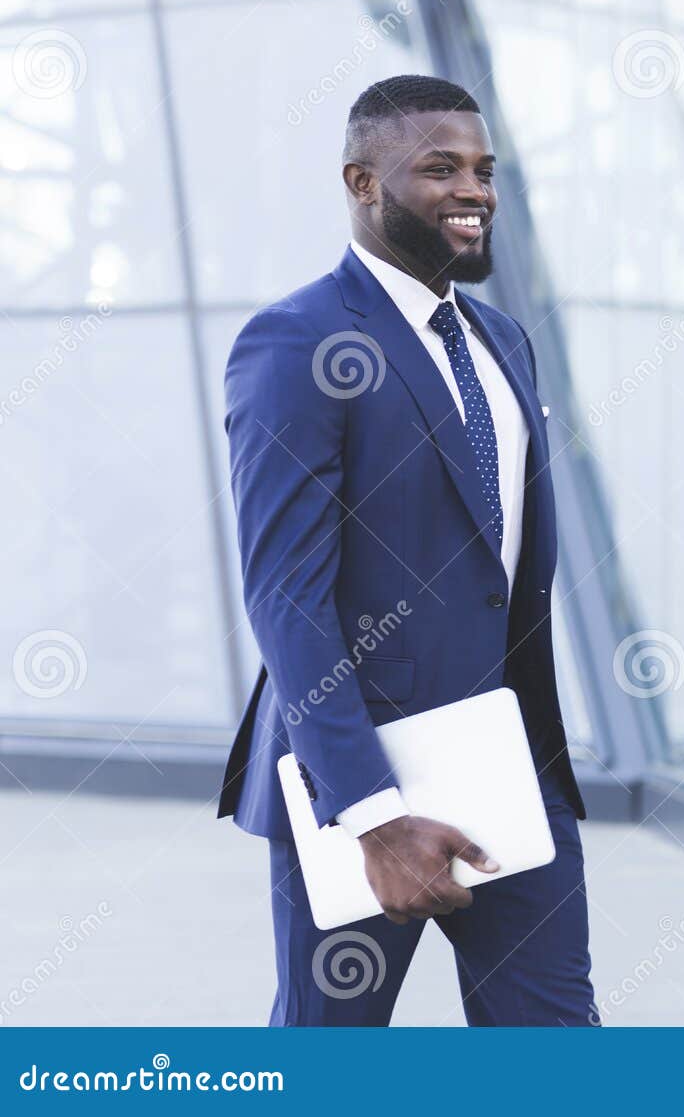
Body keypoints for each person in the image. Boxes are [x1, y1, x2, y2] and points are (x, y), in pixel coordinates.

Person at [216, 74, 596, 1027]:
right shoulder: (297, 340)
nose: (474, 190)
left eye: (483, 169)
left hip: (512, 772)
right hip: (363, 788)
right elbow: (286, 597)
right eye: (439, 169)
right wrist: (373, 816)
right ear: (362, 182)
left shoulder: (503, 338)